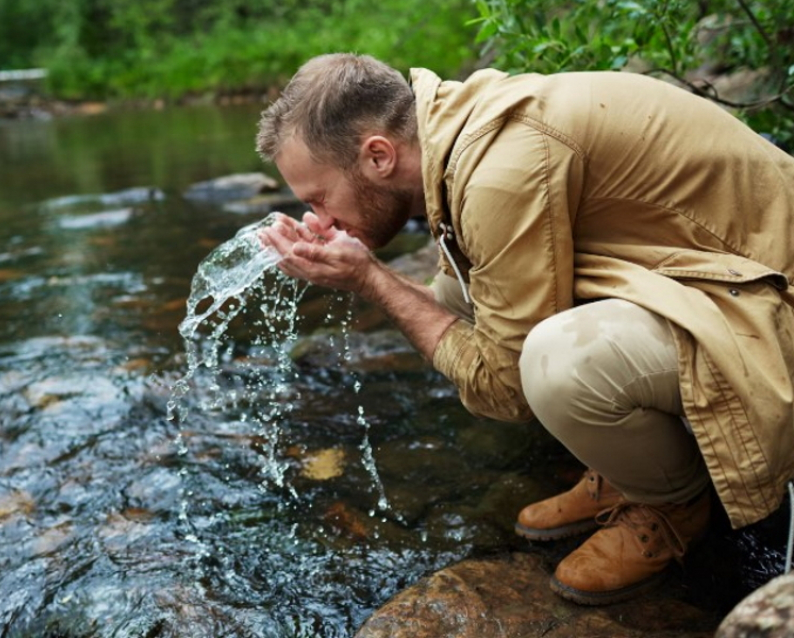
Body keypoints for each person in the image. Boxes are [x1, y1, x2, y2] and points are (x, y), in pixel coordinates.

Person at [255, 52, 794, 605]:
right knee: (458, 298)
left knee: (557, 364)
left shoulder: (499, 172)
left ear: (378, 155)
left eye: (318, 199)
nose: (319, 220)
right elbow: (459, 313)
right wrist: (365, 276)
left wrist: (372, 281)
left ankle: (672, 503)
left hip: (768, 300)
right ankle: (630, 464)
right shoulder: (460, 135)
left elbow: (508, 388)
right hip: (706, 276)